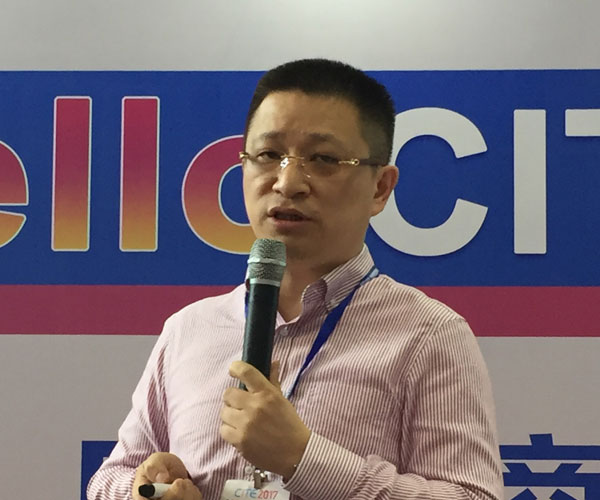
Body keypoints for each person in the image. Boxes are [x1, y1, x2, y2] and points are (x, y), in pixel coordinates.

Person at [87, 59, 504, 500]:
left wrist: (303, 459)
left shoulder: (428, 335)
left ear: (380, 188)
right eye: (268, 155)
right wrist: (142, 491)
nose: (287, 183)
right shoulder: (190, 329)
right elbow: (109, 479)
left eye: (323, 159)